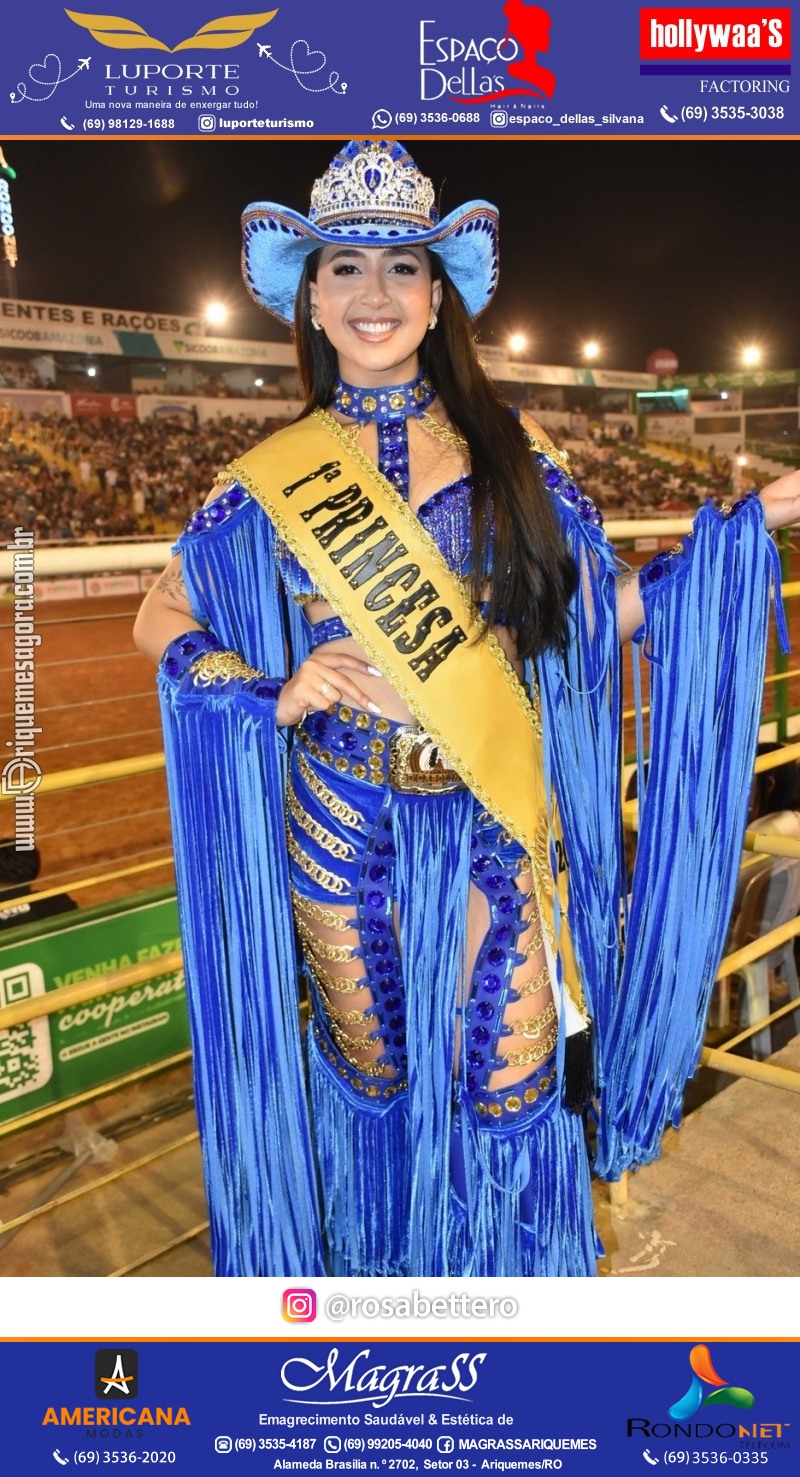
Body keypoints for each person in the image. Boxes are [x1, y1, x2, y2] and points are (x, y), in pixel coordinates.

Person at [134, 139, 800, 1278]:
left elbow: (597, 619)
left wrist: (741, 537)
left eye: (399, 268)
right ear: (312, 294)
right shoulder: (266, 475)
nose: (373, 294)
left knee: (503, 1076)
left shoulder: (514, 455)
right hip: (337, 822)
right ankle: (391, 1319)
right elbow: (157, 612)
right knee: (376, 1077)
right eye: (344, 268)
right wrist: (266, 686)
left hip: (489, 812)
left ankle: (509, 1328)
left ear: (437, 294)